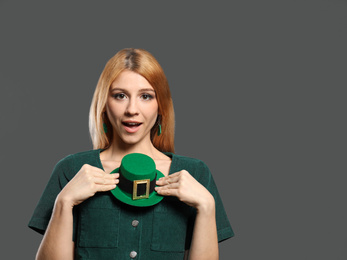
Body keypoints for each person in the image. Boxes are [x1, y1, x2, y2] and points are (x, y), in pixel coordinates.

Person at [28, 48, 234, 260]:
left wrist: (207, 207)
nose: (132, 109)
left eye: (146, 96)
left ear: (160, 106)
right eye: (120, 96)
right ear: (104, 104)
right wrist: (64, 202)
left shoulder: (195, 174)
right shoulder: (72, 170)